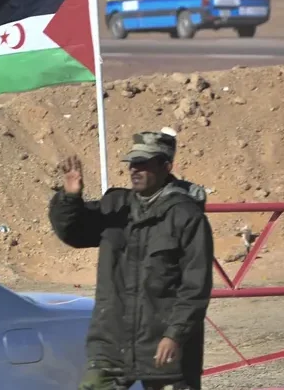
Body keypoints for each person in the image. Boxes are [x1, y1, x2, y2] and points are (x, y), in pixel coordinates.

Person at [48, 129, 214, 390]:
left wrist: (175, 335)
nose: (135, 170)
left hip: (163, 348)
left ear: (166, 166)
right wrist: (70, 197)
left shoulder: (186, 216)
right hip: (112, 343)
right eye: (133, 163)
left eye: (144, 164)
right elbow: (74, 232)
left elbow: (195, 287)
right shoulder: (116, 207)